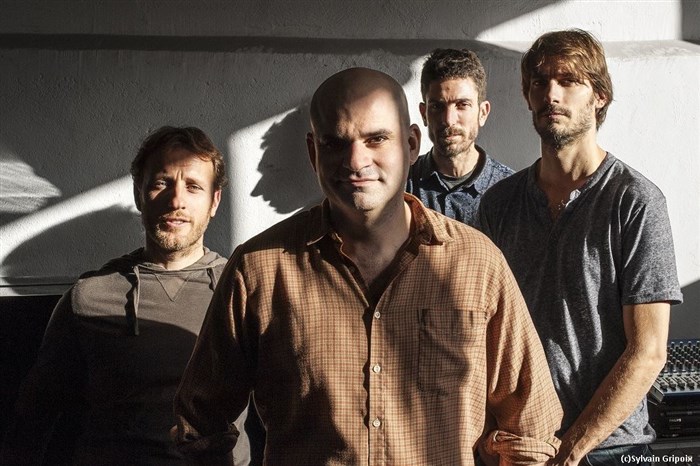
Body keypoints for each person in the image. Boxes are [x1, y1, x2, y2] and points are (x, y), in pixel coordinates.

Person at [174, 67, 562, 466]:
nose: (355, 161)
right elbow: (200, 427)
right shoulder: (259, 269)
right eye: (335, 143)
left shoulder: (478, 265)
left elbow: (531, 430)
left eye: (376, 139)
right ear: (313, 152)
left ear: (411, 144)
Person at [477, 29, 683, 466]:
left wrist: (571, 450)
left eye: (568, 80)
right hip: (523, 446)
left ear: (599, 96)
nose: (551, 94)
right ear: (527, 95)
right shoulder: (499, 203)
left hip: (610, 449)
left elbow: (648, 351)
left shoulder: (635, 201)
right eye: (539, 82)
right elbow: (484, 333)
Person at [0, 126, 259, 466]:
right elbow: (32, 421)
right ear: (139, 195)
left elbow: (285, 410)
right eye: (162, 183)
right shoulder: (88, 296)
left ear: (214, 201)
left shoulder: (244, 289)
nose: (176, 201)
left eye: (193, 186)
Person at [406, 48, 513, 225]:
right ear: (424, 114)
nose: (448, 120)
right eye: (437, 107)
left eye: (462, 105)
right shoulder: (403, 184)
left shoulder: (510, 191)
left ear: (483, 113)